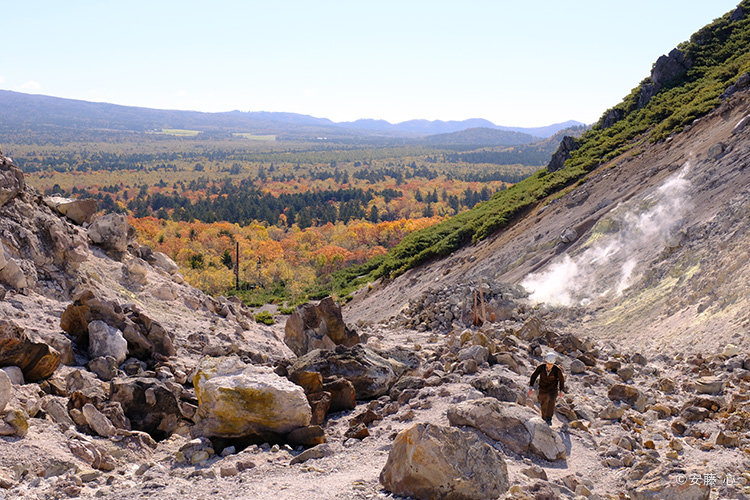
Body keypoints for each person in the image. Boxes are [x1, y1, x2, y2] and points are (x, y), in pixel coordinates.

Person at [528, 352, 565, 425]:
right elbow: (534, 376)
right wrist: (531, 387)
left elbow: (561, 380)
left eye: (551, 364)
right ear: (546, 362)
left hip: (553, 390)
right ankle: (544, 417)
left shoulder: (557, 370)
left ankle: (549, 418)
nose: (549, 366)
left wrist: (561, 390)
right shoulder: (541, 367)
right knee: (543, 402)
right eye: (548, 363)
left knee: (551, 401)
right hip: (543, 389)